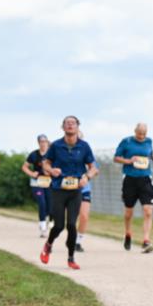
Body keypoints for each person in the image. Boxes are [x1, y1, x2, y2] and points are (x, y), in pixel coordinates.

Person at [39, 116, 97, 270]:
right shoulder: (56, 146)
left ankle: (71, 257)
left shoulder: (84, 146)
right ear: (62, 127)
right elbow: (45, 162)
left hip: (75, 191)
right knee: (58, 226)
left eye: (73, 123)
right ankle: (48, 244)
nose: (70, 125)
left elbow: (93, 167)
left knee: (71, 224)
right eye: (67, 123)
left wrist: (87, 177)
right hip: (58, 190)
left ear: (78, 127)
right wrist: (51, 170)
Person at [114, 123, 153, 253]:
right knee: (128, 212)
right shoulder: (126, 142)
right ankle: (128, 233)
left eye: (144, 133)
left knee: (148, 210)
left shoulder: (149, 141)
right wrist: (129, 161)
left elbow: (151, 155)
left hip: (145, 179)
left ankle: (146, 240)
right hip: (130, 179)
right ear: (135, 131)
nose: (142, 136)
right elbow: (116, 158)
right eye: (139, 133)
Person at [22, 134, 53, 237]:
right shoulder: (34, 154)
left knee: (49, 205)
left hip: (49, 182)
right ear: (38, 143)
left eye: (45, 141)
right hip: (37, 182)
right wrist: (31, 173)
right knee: (42, 202)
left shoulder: (52, 154)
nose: (43, 143)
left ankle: (48, 219)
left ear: (47, 142)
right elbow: (24, 167)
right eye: (41, 141)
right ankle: (43, 227)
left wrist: (51, 172)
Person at [75, 158, 96, 252]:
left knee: (84, 216)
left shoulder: (86, 153)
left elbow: (95, 169)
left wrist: (88, 175)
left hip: (84, 190)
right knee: (71, 218)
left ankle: (78, 242)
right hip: (69, 189)